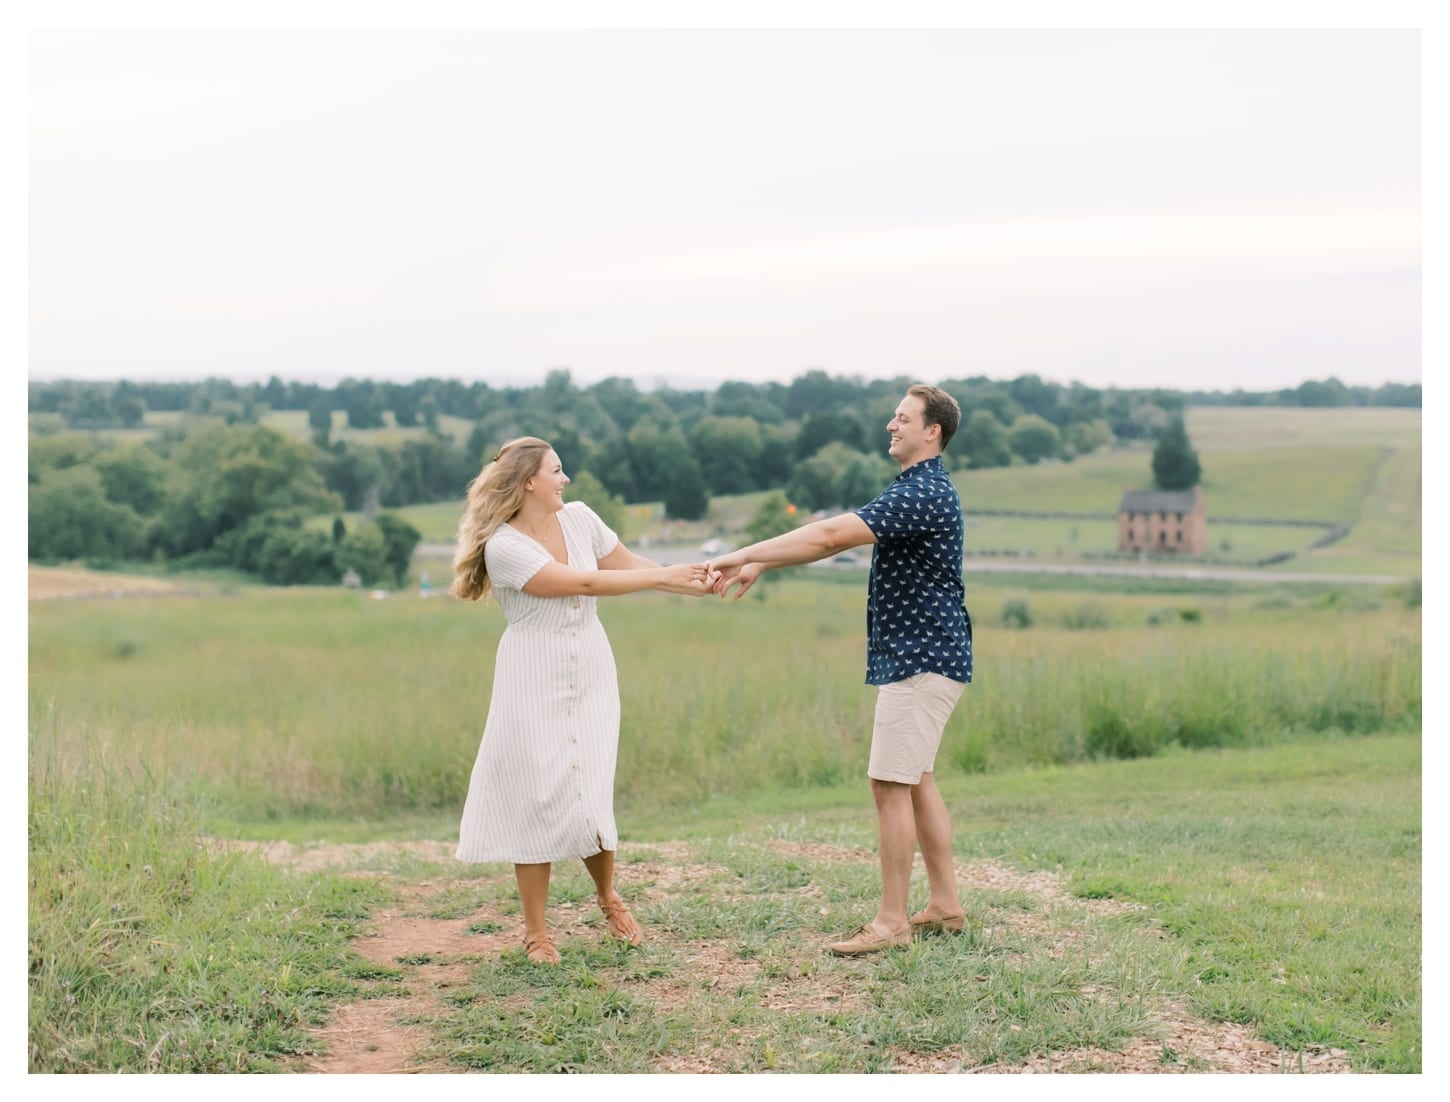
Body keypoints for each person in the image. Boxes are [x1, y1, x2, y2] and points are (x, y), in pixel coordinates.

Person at [708, 384, 972, 956]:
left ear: (933, 432)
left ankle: (891, 922)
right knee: (915, 778)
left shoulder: (924, 491)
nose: (890, 425)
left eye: (903, 419)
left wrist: (740, 553)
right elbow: (828, 538)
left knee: (889, 783)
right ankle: (945, 906)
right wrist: (756, 561)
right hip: (929, 655)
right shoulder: (916, 488)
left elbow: (829, 536)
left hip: (921, 659)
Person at [451, 436, 714, 964]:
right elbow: (585, 583)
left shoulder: (581, 518)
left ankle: (609, 898)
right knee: (539, 794)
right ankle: (536, 932)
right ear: (528, 481)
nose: (565, 479)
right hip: (532, 675)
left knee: (590, 787)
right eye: (556, 470)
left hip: (592, 668)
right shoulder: (503, 546)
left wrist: (690, 582)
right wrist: (661, 576)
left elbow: (624, 563)